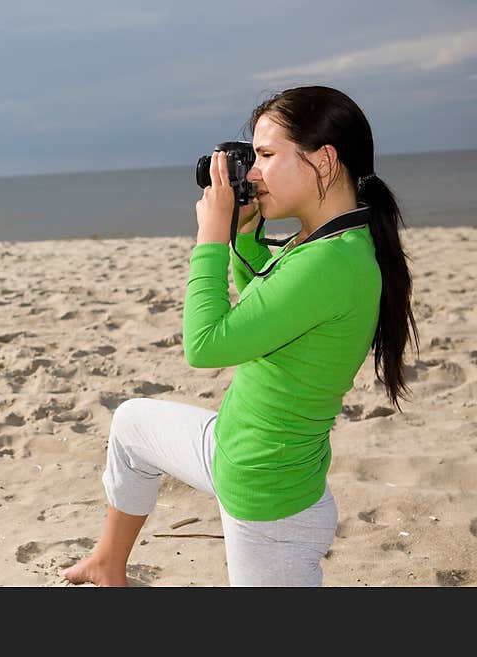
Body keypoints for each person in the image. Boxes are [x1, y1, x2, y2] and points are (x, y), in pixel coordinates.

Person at [60, 85, 420, 587]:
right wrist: (244, 234)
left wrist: (209, 239)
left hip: (269, 502)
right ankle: (106, 562)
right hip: (235, 451)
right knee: (131, 425)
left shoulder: (331, 262)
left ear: (325, 160)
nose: (251, 172)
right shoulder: (324, 240)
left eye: (268, 155)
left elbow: (206, 345)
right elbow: (265, 312)